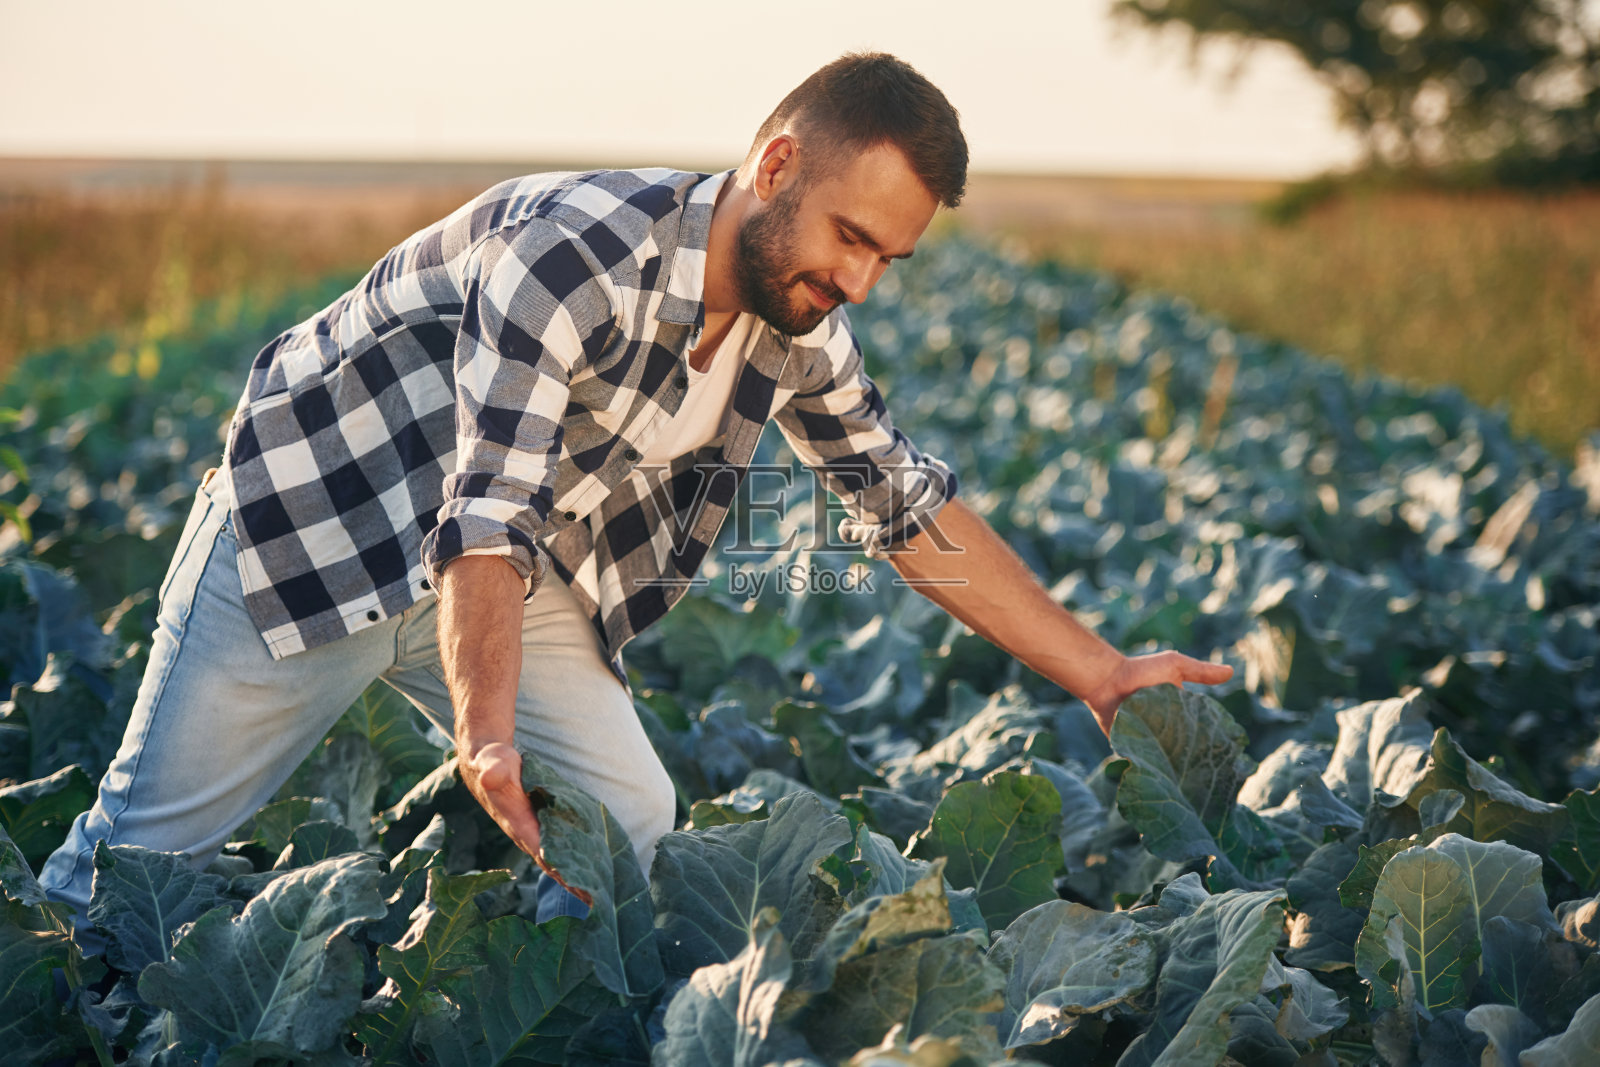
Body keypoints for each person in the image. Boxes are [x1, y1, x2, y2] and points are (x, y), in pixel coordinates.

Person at [40, 51, 1232, 948]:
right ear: (775, 167)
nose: (860, 281)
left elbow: (903, 506)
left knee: (627, 822)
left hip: (510, 568)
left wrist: (1099, 670)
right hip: (314, 535)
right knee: (138, 866)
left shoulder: (799, 325)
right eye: (850, 237)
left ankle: (560, 1005)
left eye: (888, 257)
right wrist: (486, 728)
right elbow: (483, 514)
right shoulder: (571, 255)